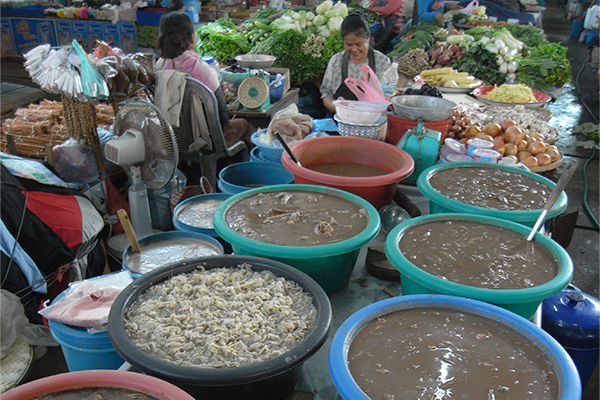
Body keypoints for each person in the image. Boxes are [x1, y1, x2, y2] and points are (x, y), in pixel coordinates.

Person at [155, 12, 253, 149]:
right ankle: (229, 166)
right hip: (205, 139)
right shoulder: (200, 68)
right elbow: (223, 116)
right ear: (191, 38)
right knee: (244, 125)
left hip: (171, 140)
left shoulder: (159, 66)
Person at [320, 13, 392, 114]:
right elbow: (326, 94)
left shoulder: (382, 62)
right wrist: (342, 111)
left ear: (368, 37)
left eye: (359, 44)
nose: (354, 49)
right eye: (349, 44)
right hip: (340, 121)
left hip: (372, 120)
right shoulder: (336, 61)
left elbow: (388, 97)